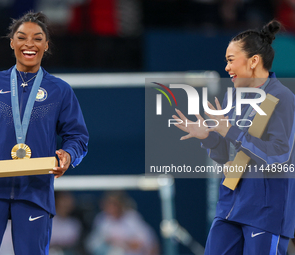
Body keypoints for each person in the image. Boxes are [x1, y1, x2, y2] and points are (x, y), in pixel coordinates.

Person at [0, 11, 89, 255]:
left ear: (46, 45)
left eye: (37, 38)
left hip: (35, 189)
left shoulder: (59, 90)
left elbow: (78, 137)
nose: (29, 43)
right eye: (22, 37)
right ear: (12, 42)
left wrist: (68, 155)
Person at [173, 20, 295, 254]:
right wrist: (208, 137)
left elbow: (279, 155)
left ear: (254, 61)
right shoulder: (233, 98)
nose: (226, 68)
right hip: (229, 206)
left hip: (265, 213)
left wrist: (229, 130)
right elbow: (226, 155)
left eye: (231, 60)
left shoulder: (282, 98)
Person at [86, 191, 159, 255]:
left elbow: (150, 243)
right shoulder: (102, 219)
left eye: (114, 205)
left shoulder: (132, 218)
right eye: (108, 205)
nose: (111, 208)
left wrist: (122, 243)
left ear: (120, 205)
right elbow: (93, 244)